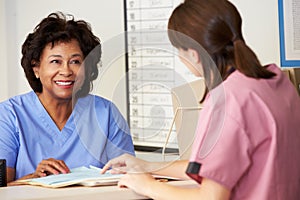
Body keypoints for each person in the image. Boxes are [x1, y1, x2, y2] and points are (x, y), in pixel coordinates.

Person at [101, 0, 300, 199]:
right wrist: (148, 166)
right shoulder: (277, 82)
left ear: (195, 55)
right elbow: (216, 168)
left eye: (179, 49)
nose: (179, 57)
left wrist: (148, 186)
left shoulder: (227, 100)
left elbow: (211, 196)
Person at [0, 12, 135, 184]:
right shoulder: (8, 115)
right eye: (56, 61)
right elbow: (2, 189)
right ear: (36, 67)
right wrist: (34, 179)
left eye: (75, 61)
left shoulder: (106, 113)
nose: (66, 71)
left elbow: (130, 177)